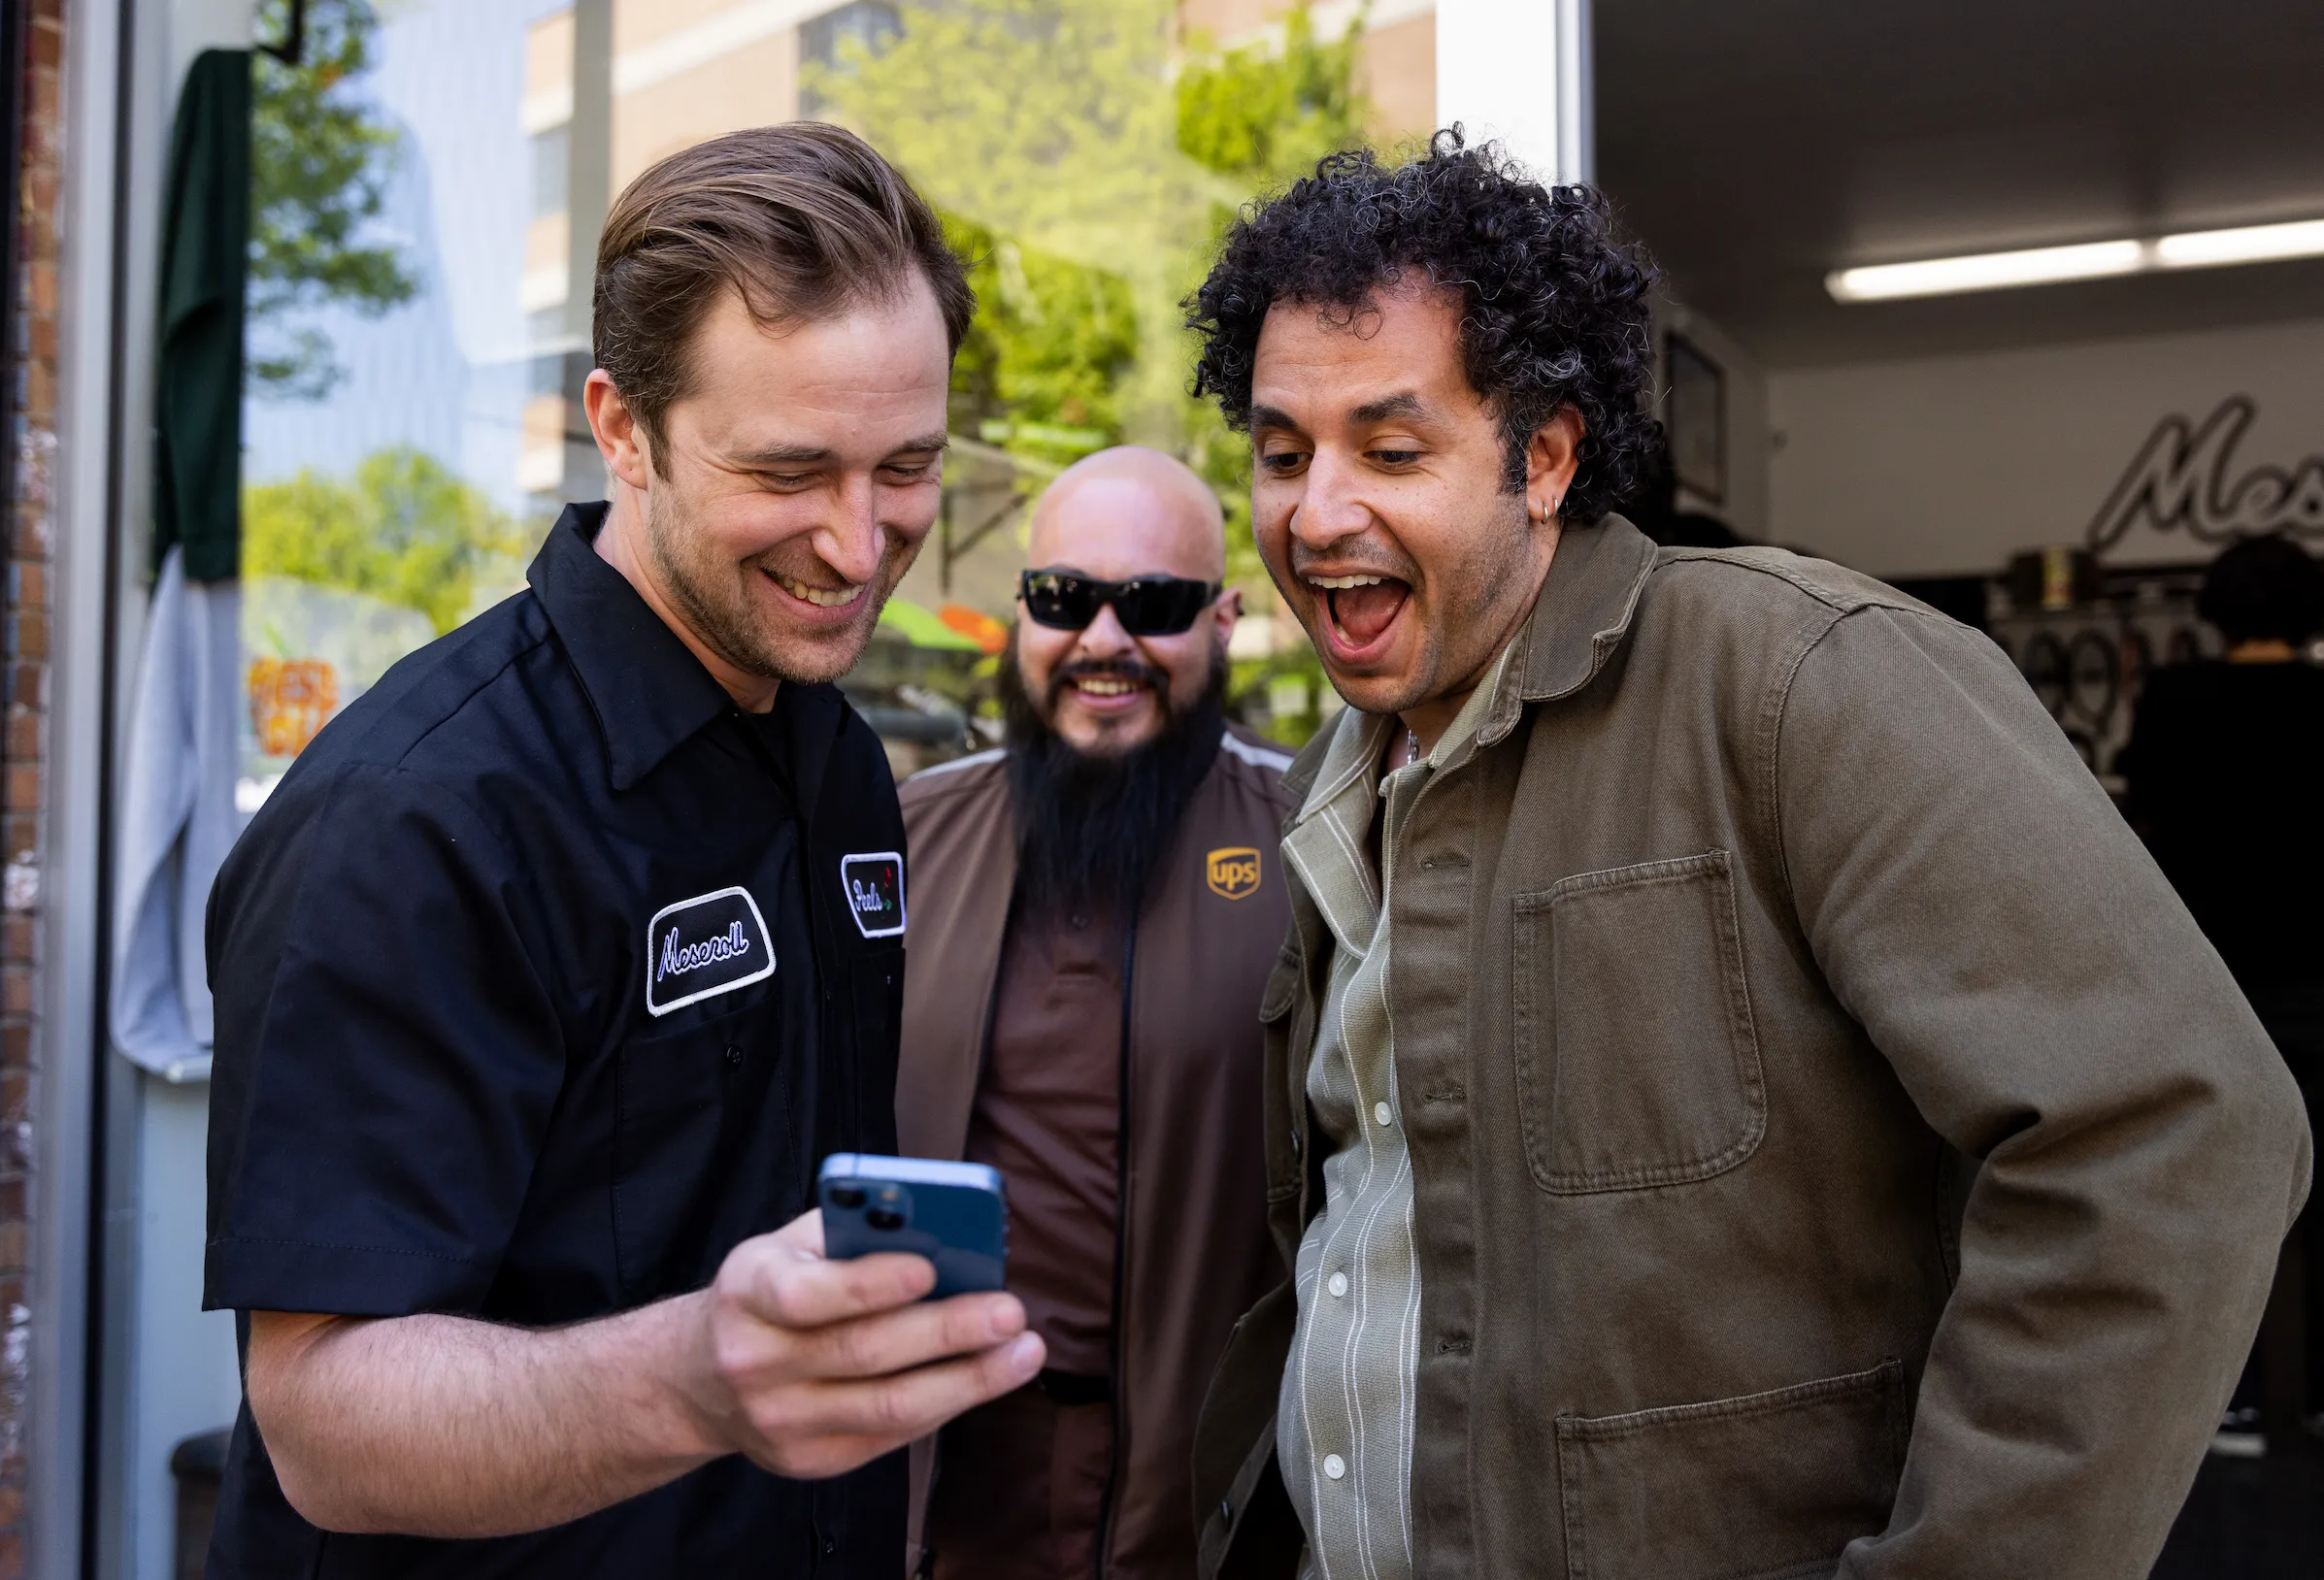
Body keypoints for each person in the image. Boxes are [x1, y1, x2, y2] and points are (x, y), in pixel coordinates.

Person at [1181, 131, 2311, 1580]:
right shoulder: (1336, 778)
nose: (1314, 512)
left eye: (1389, 450)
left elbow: (2175, 1128)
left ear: (1543, 456)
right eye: (1281, 454)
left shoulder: (1798, 679)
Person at [200, 124, 1046, 1579]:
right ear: (622, 428)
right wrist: (698, 1380)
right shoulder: (418, 818)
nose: (858, 545)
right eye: (790, 469)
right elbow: (320, 1425)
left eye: (906, 466)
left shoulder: (835, 759)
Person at [894, 447, 1295, 1579]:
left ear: (1221, 622)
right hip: (945, 1483)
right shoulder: (903, 839)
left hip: (1210, 1495)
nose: (1103, 641)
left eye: (1153, 604)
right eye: (1065, 598)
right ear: (1023, 615)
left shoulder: (1314, 840)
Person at [2124, 532, 2324, 1452]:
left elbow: (2143, 831)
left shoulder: (2177, 697)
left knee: (2218, 1186)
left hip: (2213, 976)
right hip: (2316, 969)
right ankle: (2313, 1388)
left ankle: (2231, 1394)